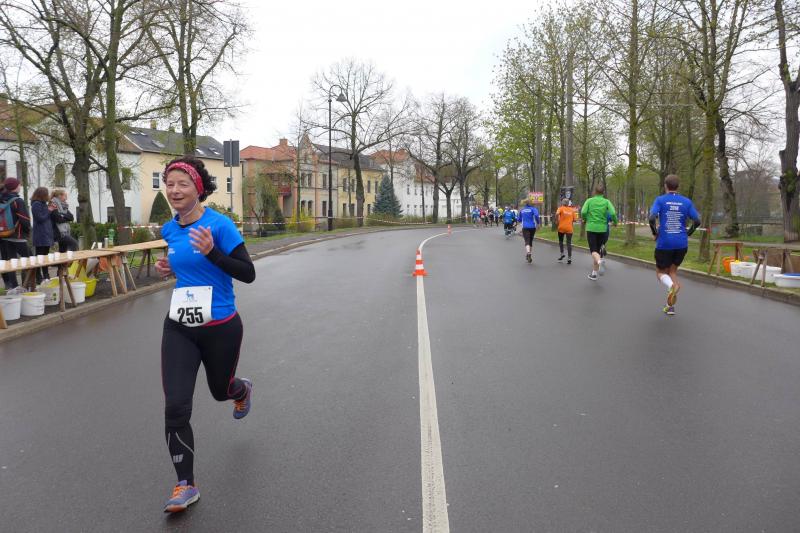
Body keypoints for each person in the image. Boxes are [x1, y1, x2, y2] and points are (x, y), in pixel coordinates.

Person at [154, 156, 256, 513]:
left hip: (220, 327)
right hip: (179, 327)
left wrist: (213, 252)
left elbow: (247, 273)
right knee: (176, 406)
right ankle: (185, 484)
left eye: (182, 184)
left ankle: (241, 390)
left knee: (219, 390)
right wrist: (169, 268)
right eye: (169, 184)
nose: (174, 190)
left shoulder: (220, 226)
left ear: (198, 189)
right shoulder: (169, 229)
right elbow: (185, 268)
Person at [649, 174, 701, 315]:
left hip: (665, 243)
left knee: (660, 273)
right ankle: (670, 307)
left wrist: (655, 233)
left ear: (665, 186)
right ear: (678, 186)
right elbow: (697, 221)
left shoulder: (660, 200)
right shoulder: (686, 202)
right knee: (672, 272)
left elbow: (652, 218)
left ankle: (672, 286)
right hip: (681, 244)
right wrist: (688, 233)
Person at [580, 183, 617, 281]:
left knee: (593, 251)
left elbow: (583, 212)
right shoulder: (607, 202)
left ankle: (600, 262)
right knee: (597, 251)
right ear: (603, 192)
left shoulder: (589, 201)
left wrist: (585, 219)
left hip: (591, 228)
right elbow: (613, 213)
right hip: (603, 229)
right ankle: (594, 273)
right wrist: (615, 222)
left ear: (594, 192)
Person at [0, 178, 32, 289]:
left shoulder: (2, 199)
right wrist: (27, 231)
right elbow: (25, 220)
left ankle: (13, 287)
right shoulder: (17, 201)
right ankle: (26, 285)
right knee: (28, 260)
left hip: (4, 235)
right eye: (19, 185)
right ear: (15, 187)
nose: (20, 186)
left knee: (11, 262)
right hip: (18, 236)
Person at [30, 186, 55, 282]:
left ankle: (46, 275)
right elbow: (40, 218)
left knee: (45, 256)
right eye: (46, 194)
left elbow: (47, 217)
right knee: (39, 256)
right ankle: (38, 276)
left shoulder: (43, 204)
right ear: (42, 195)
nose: (48, 196)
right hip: (40, 234)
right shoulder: (36, 204)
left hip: (46, 233)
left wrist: (51, 209)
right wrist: (49, 210)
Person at [517, 198, 540, 263]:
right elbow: (536, 215)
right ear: (531, 203)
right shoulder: (533, 209)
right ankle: (529, 254)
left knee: (527, 241)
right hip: (532, 227)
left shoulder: (522, 210)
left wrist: (519, 221)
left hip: (525, 227)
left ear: (525, 203)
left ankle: (528, 253)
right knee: (530, 241)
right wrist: (538, 223)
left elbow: (519, 219)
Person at [555, 198, 577, 264]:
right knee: (569, 243)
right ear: (568, 203)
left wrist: (557, 220)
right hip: (569, 228)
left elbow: (557, 214)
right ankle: (569, 258)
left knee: (561, 241)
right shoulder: (572, 210)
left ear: (562, 203)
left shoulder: (560, 208)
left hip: (561, 228)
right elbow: (575, 220)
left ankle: (562, 253)